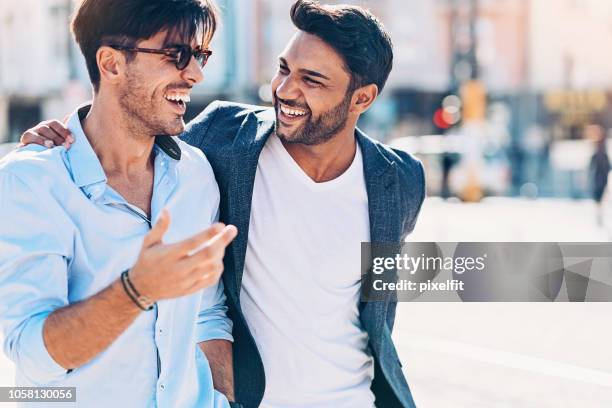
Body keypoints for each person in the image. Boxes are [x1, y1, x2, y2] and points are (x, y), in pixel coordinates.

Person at [21, 1, 426, 407]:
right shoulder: (222, 139)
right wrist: (63, 136)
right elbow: (134, 125)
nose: (285, 90)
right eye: (284, 69)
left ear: (362, 99)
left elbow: (379, 308)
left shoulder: (400, 180)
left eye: (312, 80)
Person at [0, 0, 240, 407]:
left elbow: (207, 311)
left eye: (200, 56)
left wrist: (222, 397)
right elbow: (30, 357)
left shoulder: (196, 175)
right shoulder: (31, 182)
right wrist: (136, 290)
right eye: (177, 55)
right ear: (111, 64)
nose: (196, 74)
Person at [587, 124, 610, 226]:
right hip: (599, 179)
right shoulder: (599, 153)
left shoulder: (601, 153)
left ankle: (600, 217)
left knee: (600, 200)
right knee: (599, 200)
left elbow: (607, 166)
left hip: (601, 179)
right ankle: (599, 217)